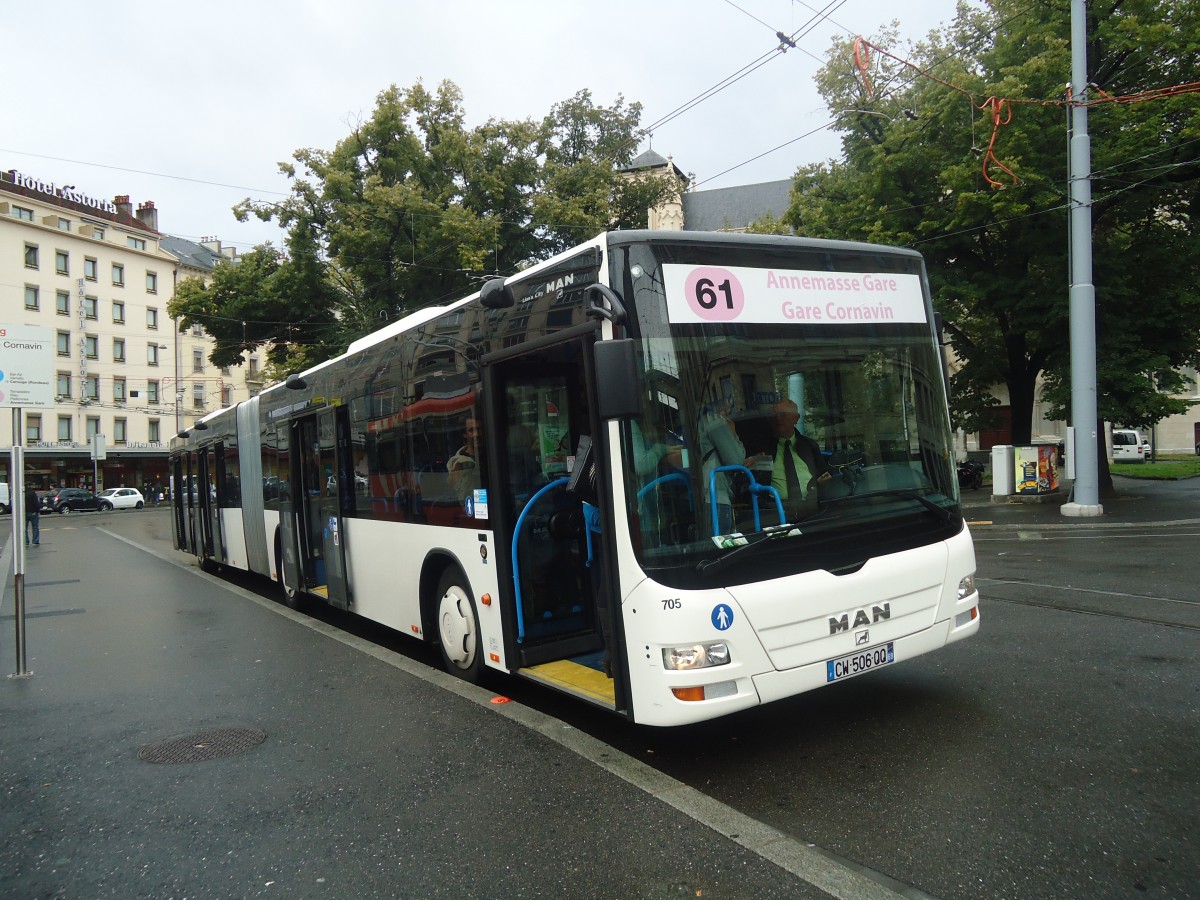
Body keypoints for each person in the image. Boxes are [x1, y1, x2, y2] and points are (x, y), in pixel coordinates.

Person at [747, 398, 831, 522]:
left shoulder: (810, 446)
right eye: (775, 415)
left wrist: (820, 482)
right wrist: (753, 463)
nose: (778, 418)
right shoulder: (761, 448)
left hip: (812, 509)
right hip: (774, 512)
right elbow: (750, 483)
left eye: (784, 415)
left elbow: (824, 475)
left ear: (796, 418)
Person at [698, 396, 749, 533]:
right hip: (716, 497)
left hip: (703, 494)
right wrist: (733, 433)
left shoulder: (697, 421)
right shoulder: (713, 420)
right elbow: (735, 460)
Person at [447, 415, 482, 503]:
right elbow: (464, 496)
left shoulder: (492, 455)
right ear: (464, 434)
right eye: (471, 430)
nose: (476, 434)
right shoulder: (459, 463)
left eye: (479, 429)